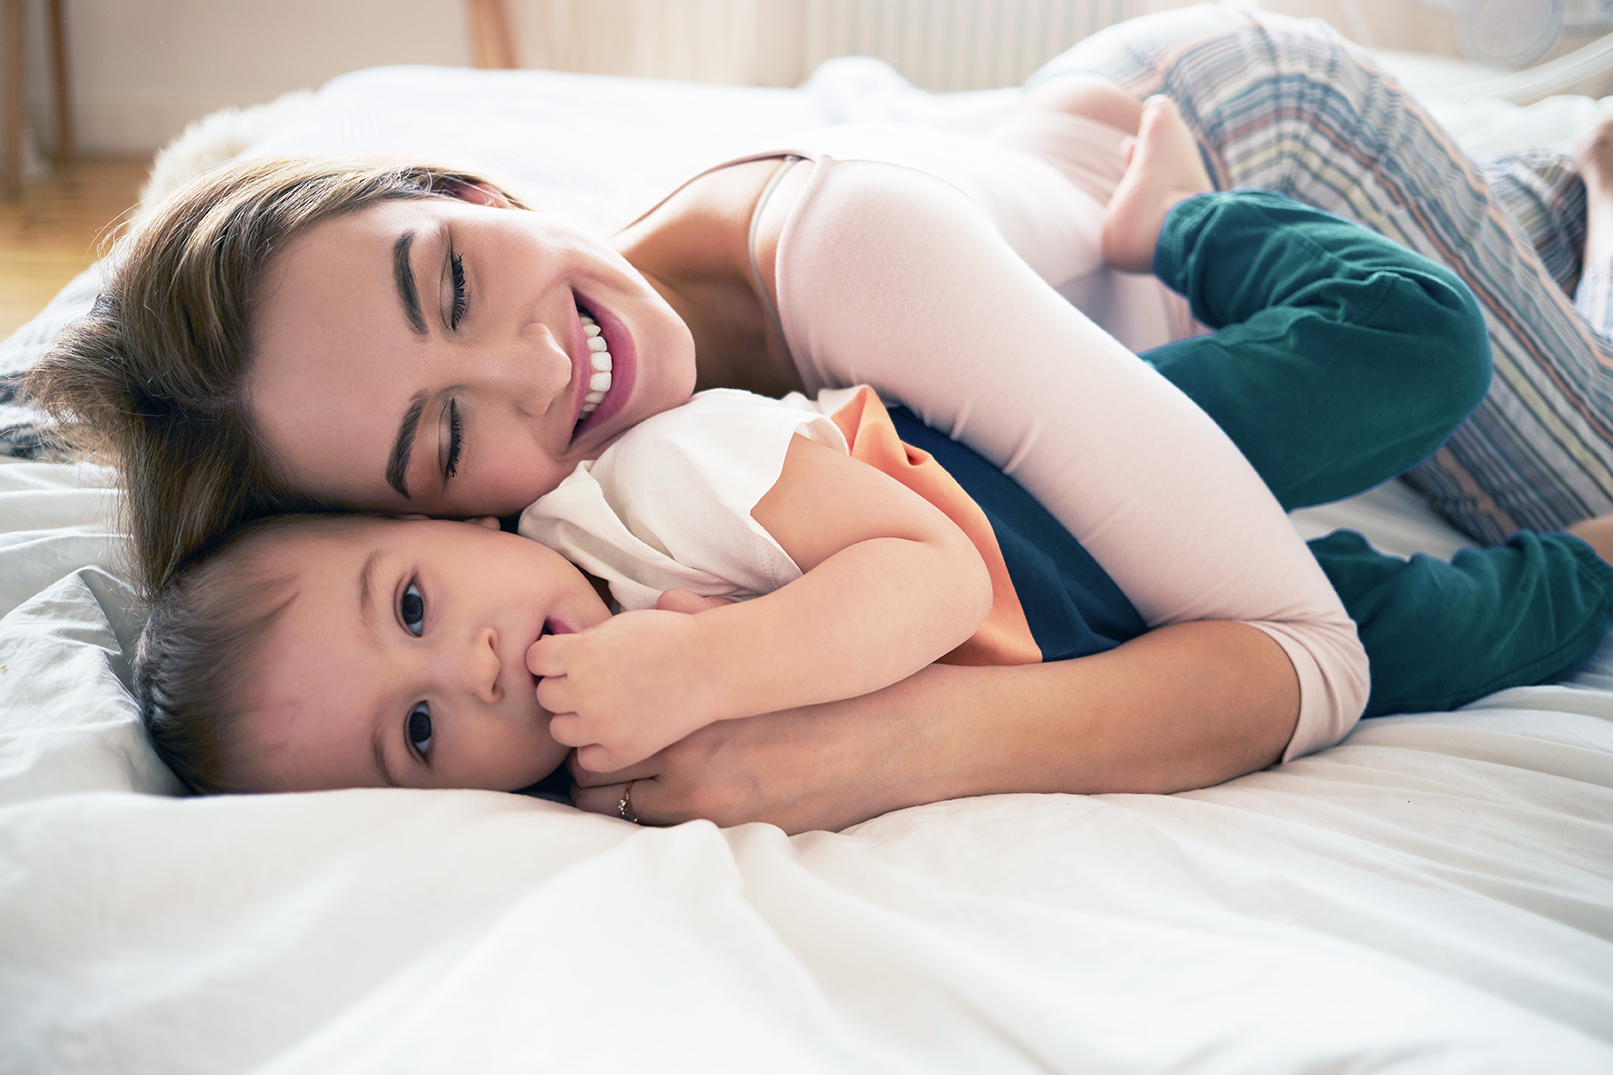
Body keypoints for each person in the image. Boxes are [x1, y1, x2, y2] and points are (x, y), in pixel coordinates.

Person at [24, 7, 1613, 831]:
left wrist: (884, 747)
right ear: (425, 517)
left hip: (1227, 131)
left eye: (448, 276)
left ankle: (1462, 212)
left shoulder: (854, 256)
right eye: (440, 441)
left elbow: (1303, 646)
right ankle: (1545, 191)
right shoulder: (544, 579)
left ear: (464, 186)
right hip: (1064, 229)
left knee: (1493, 403)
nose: (531, 371)